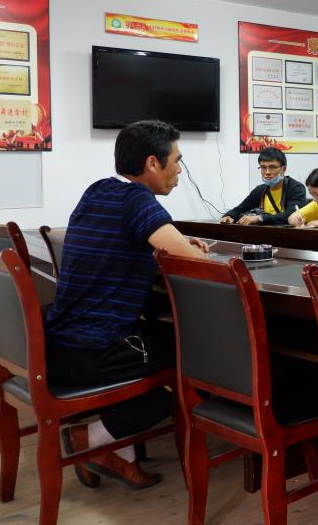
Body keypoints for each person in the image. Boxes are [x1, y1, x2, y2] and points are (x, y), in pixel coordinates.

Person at [45, 120, 209, 488]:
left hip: (59, 344)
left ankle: (121, 453)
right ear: (152, 163)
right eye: (176, 160)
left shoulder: (98, 190)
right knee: (197, 356)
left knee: (158, 339)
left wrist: (175, 244)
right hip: (93, 351)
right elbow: (195, 263)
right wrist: (192, 251)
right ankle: (92, 438)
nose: (179, 170)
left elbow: (125, 242)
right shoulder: (137, 200)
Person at [220, 147, 307, 225]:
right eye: (263, 167)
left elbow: (292, 214)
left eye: (272, 167)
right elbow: (240, 208)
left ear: (283, 169)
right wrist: (229, 215)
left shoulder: (296, 188)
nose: (267, 172)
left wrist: (259, 218)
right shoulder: (260, 189)